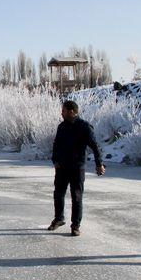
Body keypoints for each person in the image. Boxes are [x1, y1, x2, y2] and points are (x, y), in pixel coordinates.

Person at [48, 100, 105, 236]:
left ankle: (75, 226)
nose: (61, 113)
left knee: (76, 196)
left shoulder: (84, 127)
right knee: (58, 194)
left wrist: (99, 164)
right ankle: (59, 219)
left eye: (63, 111)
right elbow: (56, 144)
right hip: (61, 167)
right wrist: (55, 159)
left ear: (71, 112)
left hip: (77, 167)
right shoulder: (61, 127)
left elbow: (95, 146)